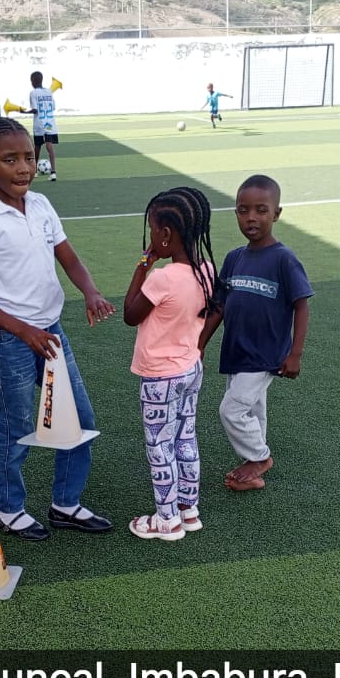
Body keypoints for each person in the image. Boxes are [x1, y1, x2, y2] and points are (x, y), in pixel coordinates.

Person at [0, 117, 115, 541]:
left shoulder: (42, 205)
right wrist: (23, 331)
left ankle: (66, 503)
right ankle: (11, 509)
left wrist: (90, 291)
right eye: (9, 159)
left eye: (29, 157)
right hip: (8, 339)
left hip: (51, 333)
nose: (24, 168)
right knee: (19, 423)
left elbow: (69, 258)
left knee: (78, 418)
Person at [198, 175, 312, 492]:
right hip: (236, 350)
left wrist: (295, 354)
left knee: (232, 409)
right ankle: (255, 469)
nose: (251, 217)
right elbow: (219, 306)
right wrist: (200, 343)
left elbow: (302, 305)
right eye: (243, 210)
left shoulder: (284, 259)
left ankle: (259, 458)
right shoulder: (234, 258)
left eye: (261, 210)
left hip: (266, 353)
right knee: (252, 407)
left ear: (276, 214)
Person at [123, 187, 219, 540]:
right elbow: (215, 309)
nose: (150, 237)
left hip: (160, 376)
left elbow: (130, 314)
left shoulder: (162, 277)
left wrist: (143, 265)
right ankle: (188, 510)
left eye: (152, 230)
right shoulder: (206, 269)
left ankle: (166, 521)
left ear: (165, 234)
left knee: (159, 446)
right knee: (185, 436)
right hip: (190, 368)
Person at [22, 71, 59, 181]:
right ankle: (53, 172)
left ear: (33, 81)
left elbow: (35, 110)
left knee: (37, 147)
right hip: (50, 123)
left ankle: (34, 172)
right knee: (49, 146)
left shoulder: (33, 93)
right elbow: (53, 107)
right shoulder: (49, 92)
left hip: (40, 124)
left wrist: (24, 112)